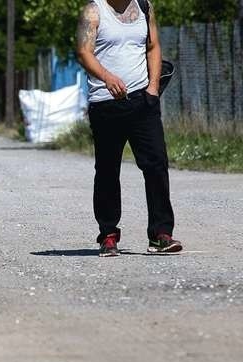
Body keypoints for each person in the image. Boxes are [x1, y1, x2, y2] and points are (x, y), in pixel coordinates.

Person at [76, 0, 182, 257]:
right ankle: (108, 234)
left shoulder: (145, 6)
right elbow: (83, 52)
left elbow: (153, 46)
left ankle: (161, 234)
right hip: (106, 104)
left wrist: (153, 87)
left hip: (143, 100)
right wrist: (107, 77)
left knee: (156, 164)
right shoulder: (94, 10)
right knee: (107, 170)